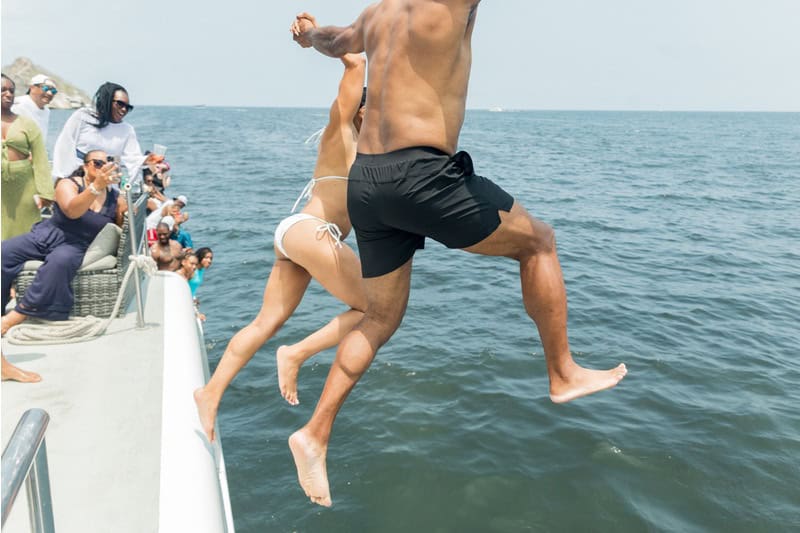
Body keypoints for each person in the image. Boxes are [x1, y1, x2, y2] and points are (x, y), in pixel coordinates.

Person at [288, 4, 628, 507]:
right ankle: (563, 373)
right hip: (422, 173)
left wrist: (308, 33)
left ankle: (314, 434)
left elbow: (336, 41)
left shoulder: (378, 13)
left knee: (379, 316)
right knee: (539, 242)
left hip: (367, 180)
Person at [193, 51, 368, 442]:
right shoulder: (341, 132)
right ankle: (296, 353)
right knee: (373, 308)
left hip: (297, 237)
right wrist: (350, 55)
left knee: (264, 323)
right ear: (360, 110)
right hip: (312, 231)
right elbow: (354, 73)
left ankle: (210, 393)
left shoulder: (369, 154)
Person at [1, 149, 125, 333]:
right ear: (85, 166)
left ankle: (18, 315)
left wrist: (128, 212)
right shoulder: (68, 184)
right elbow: (71, 211)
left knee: (60, 263)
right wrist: (95, 188)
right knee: (4, 252)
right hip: (48, 234)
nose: (103, 166)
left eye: (107, 162)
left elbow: (122, 227)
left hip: (76, 244)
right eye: (97, 163)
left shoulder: (116, 198)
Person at [51, 81, 161, 183]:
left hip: (106, 182)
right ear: (107, 100)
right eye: (120, 104)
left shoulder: (127, 129)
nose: (124, 109)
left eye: (127, 107)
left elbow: (132, 159)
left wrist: (147, 160)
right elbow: (64, 145)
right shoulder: (83, 116)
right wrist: (61, 177)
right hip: (77, 177)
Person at [2, 74, 55, 241]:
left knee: (24, 234)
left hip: (24, 185)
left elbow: (41, 160)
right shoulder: (23, 107)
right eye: (3, 90)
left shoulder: (27, 123)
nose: (9, 94)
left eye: (11, 90)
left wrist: (45, 193)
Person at [11, 74, 57, 140]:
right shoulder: (18, 105)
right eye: (46, 88)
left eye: (53, 91)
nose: (50, 93)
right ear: (32, 87)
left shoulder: (46, 111)